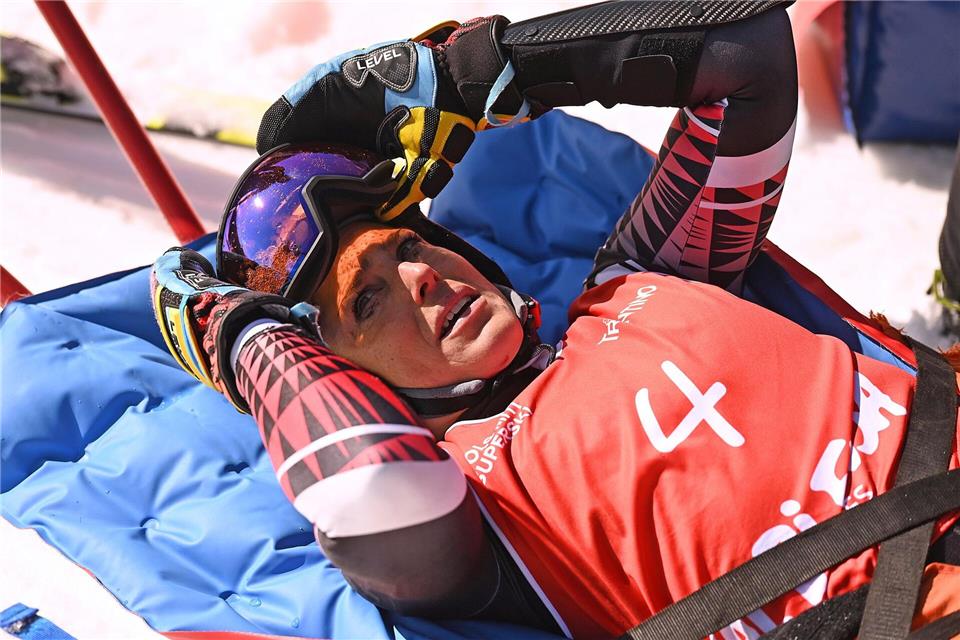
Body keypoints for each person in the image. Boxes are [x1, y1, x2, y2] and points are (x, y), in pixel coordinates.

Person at [151, 2, 960, 638]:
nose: (422, 278)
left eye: (408, 245)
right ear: (340, 372)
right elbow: (369, 489)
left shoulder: (643, 276)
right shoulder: (473, 509)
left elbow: (745, 54)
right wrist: (241, 334)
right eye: (368, 302)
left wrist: (474, 71)